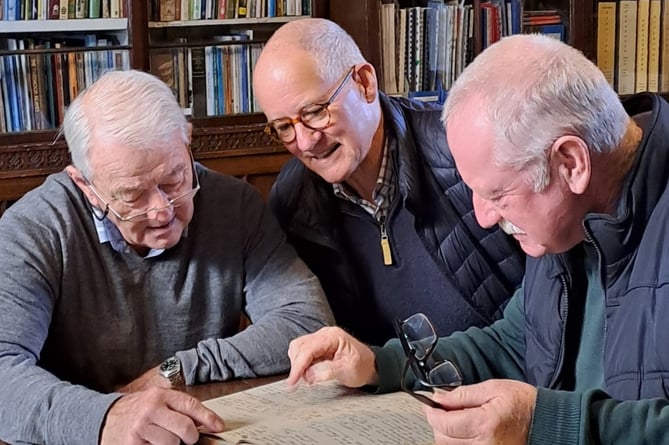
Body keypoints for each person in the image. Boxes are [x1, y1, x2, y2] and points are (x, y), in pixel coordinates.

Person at [285, 33, 669, 444]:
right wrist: (382, 363)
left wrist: (548, 424)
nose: (484, 217)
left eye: (497, 194)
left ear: (571, 163)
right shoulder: (567, 219)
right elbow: (511, 344)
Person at [0, 70, 334, 445]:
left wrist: (176, 370)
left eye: (174, 179)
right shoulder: (33, 230)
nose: (162, 210)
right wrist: (106, 416)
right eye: (132, 195)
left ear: (187, 140)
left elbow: (306, 321)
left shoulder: (233, 204)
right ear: (86, 186)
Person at [252, 18, 525, 345]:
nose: (306, 141)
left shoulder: (460, 152)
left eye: (314, 112)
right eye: (284, 127)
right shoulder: (292, 199)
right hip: (381, 388)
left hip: (502, 379)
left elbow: (548, 294)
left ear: (364, 83)